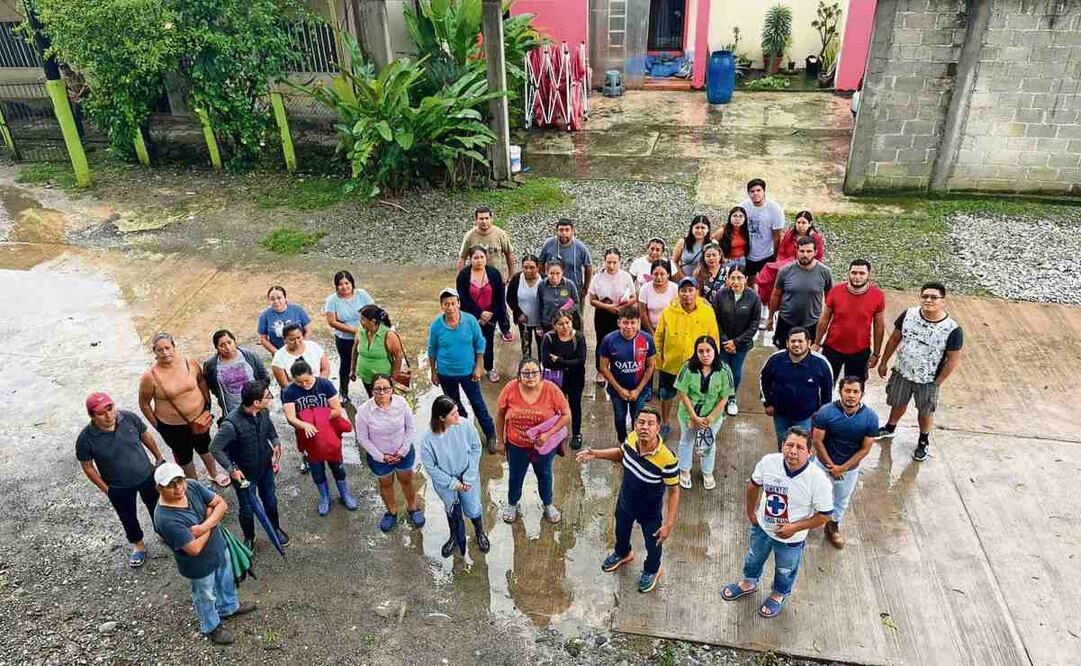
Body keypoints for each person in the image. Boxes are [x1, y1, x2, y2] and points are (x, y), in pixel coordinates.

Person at [721, 427, 832, 619]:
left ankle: (778, 594)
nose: (793, 451)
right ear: (782, 446)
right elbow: (753, 485)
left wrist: (794, 528)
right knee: (753, 558)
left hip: (791, 539)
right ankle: (748, 583)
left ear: (810, 452)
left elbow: (824, 515)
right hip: (763, 529)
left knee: (785, 569)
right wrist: (751, 513)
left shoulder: (818, 480)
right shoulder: (769, 462)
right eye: (789, 445)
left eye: (800, 447)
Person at [576, 407, 680, 594]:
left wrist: (669, 524)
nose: (644, 427)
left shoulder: (667, 459)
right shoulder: (631, 439)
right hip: (625, 502)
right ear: (635, 424)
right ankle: (623, 553)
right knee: (621, 530)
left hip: (649, 512)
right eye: (641, 422)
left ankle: (652, 570)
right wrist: (596, 454)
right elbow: (622, 454)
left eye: (650, 424)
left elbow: (674, 491)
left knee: (653, 543)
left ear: (658, 428)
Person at [152, 462, 257, 645]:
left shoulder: (191, 485)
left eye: (180, 481)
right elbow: (194, 549)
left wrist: (203, 526)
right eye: (171, 485)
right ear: (159, 488)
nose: (179, 488)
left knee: (226, 579)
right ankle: (211, 626)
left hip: (219, 548)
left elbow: (221, 504)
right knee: (205, 595)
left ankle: (229, 607)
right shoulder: (165, 518)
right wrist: (211, 518)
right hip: (198, 566)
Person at [876, 282, 964, 461]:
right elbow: (894, 340)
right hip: (902, 372)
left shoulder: (952, 329)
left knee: (925, 412)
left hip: (928, 379)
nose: (928, 300)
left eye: (934, 297)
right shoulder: (908, 314)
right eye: (925, 296)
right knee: (898, 402)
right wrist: (884, 362)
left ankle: (923, 440)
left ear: (943, 301)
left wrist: (937, 382)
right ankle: (890, 428)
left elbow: (952, 360)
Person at [77, 392, 165, 568]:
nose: (109, 415)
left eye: (110, 408)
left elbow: (146, 436)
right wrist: (107, 489)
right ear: (92, 416)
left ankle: (163, 532)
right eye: (102, 413)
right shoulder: (85, 439)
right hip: (118, 485)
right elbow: (87, 467)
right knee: (127, 516)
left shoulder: (129, 418)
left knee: (157, 506)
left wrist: (158, 458)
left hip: (145, 474)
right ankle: (138, 545)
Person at [139, 333, 228, 487]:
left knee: (205, 446)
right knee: (184, 456)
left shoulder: (189, 362)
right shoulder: (150, 376)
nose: (165, 352)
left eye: (167, 348)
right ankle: (195, 485)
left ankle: (214, 473)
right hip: (172, 425)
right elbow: (144, 403)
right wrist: (158, 426)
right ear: (155, 352)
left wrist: (207, 404)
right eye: (160, 350)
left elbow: (201, 380)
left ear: (174, 347)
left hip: (199, 417)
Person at [209, 379, 289, 550]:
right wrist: (231, 470)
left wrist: (276, 443)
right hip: (244, 475)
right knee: (246, 508)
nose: (271, 398)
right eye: (268, 396)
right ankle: (249, 538)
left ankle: (274, 528)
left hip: (265, 468)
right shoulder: (230, 424)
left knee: (270, 500)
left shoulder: (263, 413)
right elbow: (215, 448)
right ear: (256, 402)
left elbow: (271, 432)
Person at [495, 357, 571, 524]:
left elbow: (566, 415)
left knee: (545, 475)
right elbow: (500, 414)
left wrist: (548, 434)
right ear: (519, 376)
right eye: (526, 373)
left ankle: (548, 504)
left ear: (541, 374)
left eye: (534, 372)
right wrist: (500, 440)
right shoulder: (510, 388)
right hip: (516, 446)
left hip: (543, 448)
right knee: (515, 475)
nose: (530, 376)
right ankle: (512, 504)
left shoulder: (551, 389)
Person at [281, 361, 357, 517]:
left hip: (328, 433)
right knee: (316, 469)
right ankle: (324, 497)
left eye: (307, 380)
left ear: (312, 374)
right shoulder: (289, 391)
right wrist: (305, 424)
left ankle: (345, 494)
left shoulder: (325, 385)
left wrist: (317, 417)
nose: (304, 385)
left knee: (337, 466)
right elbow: (290, 418)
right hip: (307, 435)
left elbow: (336, 410)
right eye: (299, 382)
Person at [812, 377, 879, 549]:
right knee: (811, 494)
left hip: (848, 470)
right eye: (847, 390)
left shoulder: (870, 418)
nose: (851, 395)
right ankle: (803, 525)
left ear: (862, 394)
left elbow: (865, 448)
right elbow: (817, 441)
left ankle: (832, 526)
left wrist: (843, 468)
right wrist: (831, 467)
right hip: (822, 465)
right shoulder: (826, 412)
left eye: (855, 391)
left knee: (841, 500)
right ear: (840, 391)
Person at [428, 288, 497, 452]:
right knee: (454, 406)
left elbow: (480, 344)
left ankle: (491, 434)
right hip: (446, 373)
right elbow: (432, 350)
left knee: (478, 404)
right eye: (446, 304)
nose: (450, 307)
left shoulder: (470, 321)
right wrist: (433, 371)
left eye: (453, 303)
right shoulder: (437, 326)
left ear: (458, 303)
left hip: (468, 372)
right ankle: (465, 431)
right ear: (442, 306)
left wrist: (479, 367)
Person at [420, 396, 490, 557]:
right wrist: (452, 483)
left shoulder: (465, 425)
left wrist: (468, 476)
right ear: (441, 418)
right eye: (453, 414)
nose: (458, 415)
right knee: (451, 508)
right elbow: (431, 468)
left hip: (467, 478)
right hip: (445, 483)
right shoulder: (427, 440)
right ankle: (455, 536)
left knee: (473, 507)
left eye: (457, 411)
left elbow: (475, 448)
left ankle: (479, 532)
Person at [356, 374, 423, 532]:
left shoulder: (401, 403)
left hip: (403, 453)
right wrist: (381, 456)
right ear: (372, 391)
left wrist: (402, 451)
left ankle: (413, 508)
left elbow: (410, 428)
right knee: (385, 484)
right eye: (377, 389)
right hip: (379, 457)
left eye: (385, 388)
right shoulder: (364, 411)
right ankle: (391, 512)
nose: (381, 393)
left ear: (392, 389)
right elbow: (363, 438)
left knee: (406, 480)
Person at [654, 277, 719, 440]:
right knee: (666, 395)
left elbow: (714, 338)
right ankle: (665, 423)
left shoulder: (707, 312)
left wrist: (712, 362)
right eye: (683, 291)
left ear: (697, 292)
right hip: (671, 364)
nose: (687, 294)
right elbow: (659, 337)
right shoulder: (668, 311)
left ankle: (695, 420)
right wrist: (659, 361)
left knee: (696, 396)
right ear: (678, 293)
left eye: (691, 290)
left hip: (696, 366)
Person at [673, 336, 734, 490]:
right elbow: (683, 393)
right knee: (687, 441)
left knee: (708, 443)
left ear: (715, 351)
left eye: (708, 350)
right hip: (688, 415)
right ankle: (684, 470)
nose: (705, 355)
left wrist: (710, 418)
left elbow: (724, 397)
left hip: (713, 416)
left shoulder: (724, 370)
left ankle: (707, 472)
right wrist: (693, 417)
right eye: (701, 351)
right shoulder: (687, 368)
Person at [759, 327, 834, 449]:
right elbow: (763, 379)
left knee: (801, 446)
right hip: (780, 414)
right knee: (784, 444)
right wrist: (767, 403)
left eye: (800, 341)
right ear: (787, 343)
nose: (796, 344)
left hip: (806, 417)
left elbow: (828, 391)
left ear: (809, 343)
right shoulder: (775, 359)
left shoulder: (821, 363)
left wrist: (821, 413)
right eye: (793, 341)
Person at [813, 259, 886, 384]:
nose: (857, 277)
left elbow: (879, 327)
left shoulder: (878, 296)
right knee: (824, 383)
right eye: (854, 273)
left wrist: (876, 354)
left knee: (854, 387)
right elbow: (824, 319)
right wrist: (817, 343)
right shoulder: (835, 291)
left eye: (861, 273)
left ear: (869, 274)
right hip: (832, 348)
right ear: (848, 273)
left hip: (860, 351)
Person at [599, 306, 657, 444]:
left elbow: (650, 366)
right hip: (617, 391)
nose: (629, 327)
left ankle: (636, 443)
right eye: (625, 322)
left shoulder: (647, 339)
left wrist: (638, 390)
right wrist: (620, 390)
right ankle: (623, 443)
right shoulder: (609, 340)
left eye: (633, 323)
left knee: (638, 418)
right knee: (620, 417)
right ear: (619, 322)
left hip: (640, 390)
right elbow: (603, 367)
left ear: (638, 322)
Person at [711, 265, 762, 415]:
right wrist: (726, 341)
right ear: (727, 279)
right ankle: (720, 398)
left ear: (746, 279)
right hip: (723, 343)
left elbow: (754, 323)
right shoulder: (720, 295)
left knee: (736, 372)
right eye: (732, 277)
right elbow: (715, 320)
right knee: (721, 370)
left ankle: (731, 398)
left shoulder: (753, 297)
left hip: (742, 344)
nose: (736, 281)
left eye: (739, 278)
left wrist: (736, 342)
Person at [457, 245, 512, 382]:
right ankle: (472, 368)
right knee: (471, 341)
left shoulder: (493, 274)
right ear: (470, 259)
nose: (479, 260)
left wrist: (490, 314)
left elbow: (499, 298)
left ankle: (489, 368)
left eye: (482, 257)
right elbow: (462, 299)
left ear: (486, 258)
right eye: (476, 258)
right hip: (470, 316)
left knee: (487, 341)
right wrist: (479, 314)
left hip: (490, 316)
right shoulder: (464, 276)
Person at [768, 236, 833, 349]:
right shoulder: (785, 270)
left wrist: (828, 322)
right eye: (802, 251)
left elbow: (830, 299)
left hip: (812, 322)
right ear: (796, 251)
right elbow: (776, 295)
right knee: (783, 353)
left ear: (815, 252)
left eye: (809, 251)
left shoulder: (825, 272)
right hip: (786, 320)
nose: (805, 254)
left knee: (808, 354)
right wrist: (770, 317)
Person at [755, 211, 825, 310]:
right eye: (798, 222)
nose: (800, 225)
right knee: (768, 272)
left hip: (806, 265)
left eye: (803, 223)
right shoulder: (790, 234)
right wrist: (783, 264)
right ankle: (765, 306)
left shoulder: (816, 238)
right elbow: (781, 252)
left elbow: (818, 257)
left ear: (810, 224)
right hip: (786, 262)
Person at [323, 270, 374, 404]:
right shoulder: (332, 300)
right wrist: (354, 330)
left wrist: (366, 330)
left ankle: (372, 394)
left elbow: (374, 311)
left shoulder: (361, 294)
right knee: (345, 364)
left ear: (352, 283)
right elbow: (332, 321)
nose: (344, 287)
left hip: (365, 335)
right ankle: (343, 392)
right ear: (336, 286)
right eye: (341, 284)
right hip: (344, 338)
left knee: (365, 363)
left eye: (347, 283)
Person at [587, 248, 637, 379]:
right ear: (604, 261)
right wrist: (607, 307)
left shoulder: (625, 276)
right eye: (608, 262)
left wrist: (621, 307)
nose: (611, 266)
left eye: (614, 262)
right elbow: (592, 300)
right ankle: (601, 370)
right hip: (603, 313)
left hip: (620, 312)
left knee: (620, 340)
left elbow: (633, 297)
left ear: (620, 262)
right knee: (602, 341)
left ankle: (618, 368)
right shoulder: (598, 277)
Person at [540, 312, 587, 450]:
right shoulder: (548, 338)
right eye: (560, 324)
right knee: (556, 407)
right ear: (554, 326)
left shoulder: (578, 337)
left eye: (567, 322)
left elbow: (581, 361)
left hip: (576, 377)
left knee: (575, 405)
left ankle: (576, 433)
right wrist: (568, 363)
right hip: (556, 379)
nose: (565, 326)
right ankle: (554, 432)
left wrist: (560, 361)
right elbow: (546, 362)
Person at [204, 329, 269, 422]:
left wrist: (261, 397)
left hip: (256, 406)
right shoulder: (211, 365)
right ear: (217, 348)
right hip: (233, 410)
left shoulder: (249, 356)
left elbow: (263, 376)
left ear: (235, 341)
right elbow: (212, 386)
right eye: (222, 345)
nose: (227, 347)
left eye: (229, 342)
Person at [350, 304, 408, 398]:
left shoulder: (388, 335)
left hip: (383, 379)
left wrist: (393, 378)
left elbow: (398, 356)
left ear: (373, 321)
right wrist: (352, 369)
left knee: (384, 401)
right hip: (365, 376)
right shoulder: (360, 331)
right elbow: (354, 350)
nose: (361, 322)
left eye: (363, 319)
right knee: (371, 398)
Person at [740, 178, 785, 283]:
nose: (755, 193)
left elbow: (777, 235)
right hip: (746, 254)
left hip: (766, 255)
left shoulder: (775, 209)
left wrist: (776, 257)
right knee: (747, 282)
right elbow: (732, 226)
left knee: (765, 283)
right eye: (752, 191)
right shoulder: (743, 207)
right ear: (748, 193)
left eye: (758, 190)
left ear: (764, 191)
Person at [457, 205, 515, 277]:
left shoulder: (501, 234)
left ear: (491, 219)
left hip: (497, 278)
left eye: (486, 218)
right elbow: (462, 259)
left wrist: (511, 276)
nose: (484, 221)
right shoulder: (469, 236)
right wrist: (461, 279)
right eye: (481, 219)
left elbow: (509, 255)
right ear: (476, 220)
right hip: (476, 280)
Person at [538, 218, 593, 293]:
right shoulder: (549, 244)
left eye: (567, 230)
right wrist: (544, 280)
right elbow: (540, 263)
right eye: (561, 230)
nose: (564, 233)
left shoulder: (581, 248)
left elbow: (588, 267)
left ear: (572, 231)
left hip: (574, 290)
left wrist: (585, 288)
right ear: (556, 231)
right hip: (551, 289)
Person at [507, 253, 544, 358]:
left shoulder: (544, 280)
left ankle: (542, 368)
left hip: (540, 322)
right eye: (525, 267)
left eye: (532, 267)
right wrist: (519, 313)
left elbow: (548, 301)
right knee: (526, 346)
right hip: (524, 321)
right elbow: (510, 298)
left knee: (542, 346)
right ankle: (527, 367)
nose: (528, 270)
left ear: (538, 267)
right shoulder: (517, 279)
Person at [271, 323, 330, 389]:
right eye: (292, 339)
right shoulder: (279, 357)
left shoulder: (313, 346)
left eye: (299, 338)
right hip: (295, 392)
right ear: (284, 340)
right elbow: (284, 384)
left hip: (319, 386)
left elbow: (325, 369)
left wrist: (317, 385)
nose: (296, 342)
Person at [257, 286, 311, 353]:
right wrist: (278, 353)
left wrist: (302, 346)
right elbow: (263, 339)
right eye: (272, 299)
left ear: (285, 298)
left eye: (279, 298)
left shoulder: (298, 310)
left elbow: (308, 330)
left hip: (300, 350)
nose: (276, 301)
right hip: (279, 352)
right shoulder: (264, 316)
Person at [537, 258, 582, 331]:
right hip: (548, 324)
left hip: (565, 324)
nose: (555, 277)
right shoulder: (541, 285)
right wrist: (538, 325)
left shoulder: (569, 284)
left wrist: (565, 311)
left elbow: (576, 303)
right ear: (546, 272)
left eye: (558, 273)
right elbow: (539, 306)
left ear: (562, 272)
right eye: (551, 273)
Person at [637, 259, 677, 337]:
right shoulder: (645, 289)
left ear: (668, 274)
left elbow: (677, 312)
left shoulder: (675, 288)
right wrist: (653, 334)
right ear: (651, 274)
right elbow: (643, 314)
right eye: (656, 274)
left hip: (670, 330)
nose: (659, 277)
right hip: (649, 329)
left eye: (662, 274)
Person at [671, 215, 711, 280]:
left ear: (708, 229)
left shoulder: (712, 244)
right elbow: (674, 261)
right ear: (692, 228)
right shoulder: (682, 242)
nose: (699, 231)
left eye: (703, 228)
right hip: (683, 280)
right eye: (697, 227)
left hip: (703, 282)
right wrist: (683, 277)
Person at [713, 206, 750, 271]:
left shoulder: (745, 231)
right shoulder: (723, 230)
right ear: (730, 217)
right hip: (728, 261)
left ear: (745, 219)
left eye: (741, 216)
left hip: (742, 260)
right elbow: (712, 241)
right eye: (734, 216)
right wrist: (721, 256)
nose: (737, 219)